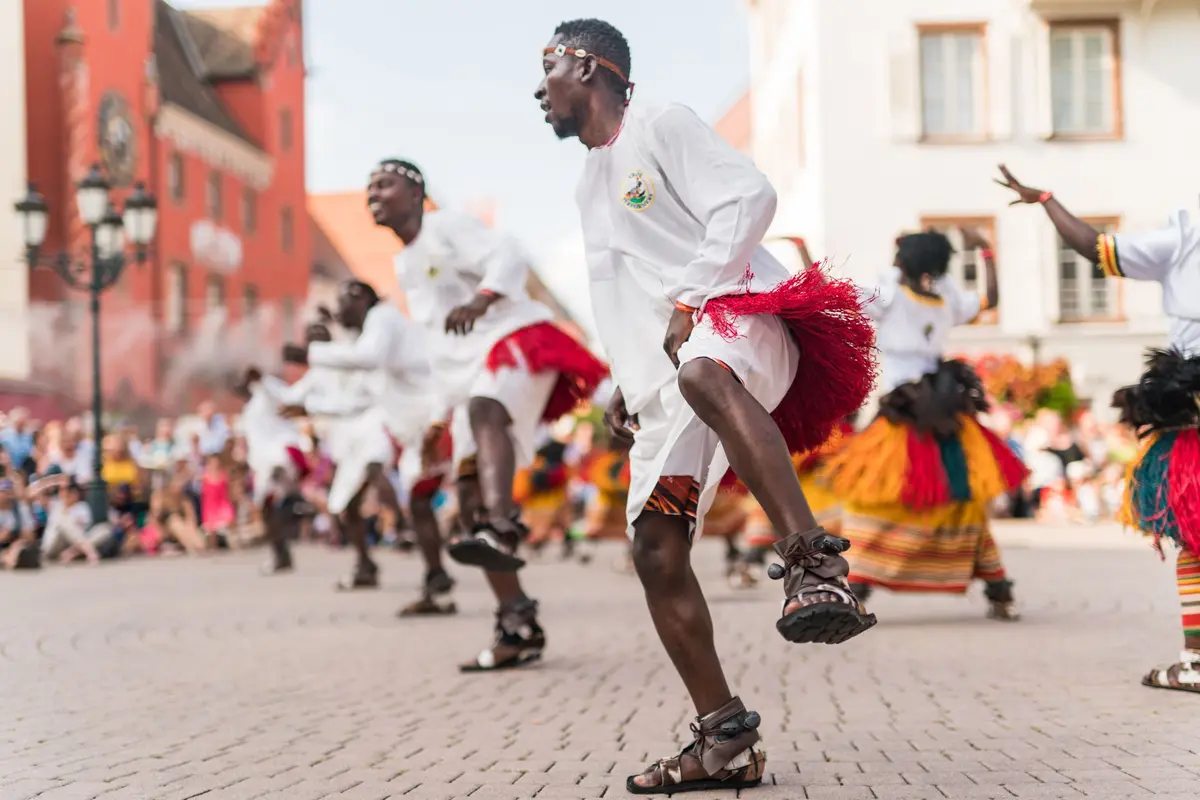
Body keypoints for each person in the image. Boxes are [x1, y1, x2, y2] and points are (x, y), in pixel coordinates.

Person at [536, 18, 877, 793]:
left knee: (701, 374)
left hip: (741, 313)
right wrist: (627, 383)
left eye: (547, 68)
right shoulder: (591, 180)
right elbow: (621, 300)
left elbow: (750, 196)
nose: (538, 89)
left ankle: (815, 569)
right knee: (654, 549)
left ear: (588, 67)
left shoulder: (662, 122)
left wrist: (693, 295)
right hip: (677, 364)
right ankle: (723, 738)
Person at [366, 159, 607, 669]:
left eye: (385, 184)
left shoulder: (444, 224)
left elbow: (509, 252)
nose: (374, 194)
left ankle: (504, 524)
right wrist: (438, 416)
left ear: (416, 191)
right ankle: (517, 622)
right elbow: (439, 346)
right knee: (468, 492)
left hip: (514, 340)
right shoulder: (406, 264)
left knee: (485, 411)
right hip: (468, 375)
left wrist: (481, 300)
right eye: (369, 188)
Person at [996, 164, 1200, 692]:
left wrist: (1046, 200)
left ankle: (1197, 663)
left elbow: (1096, 248)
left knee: (1195, 540)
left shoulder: (1186, 234)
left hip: (1190, 409)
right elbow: (1099, 248)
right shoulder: (1184, 234)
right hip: (1189, 402)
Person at [822, 230, 1026, 619]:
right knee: (961, 498)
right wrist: (985, 251)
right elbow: (991, 299)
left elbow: (835, 294)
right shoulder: (945, 296)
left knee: (884, 497)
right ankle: (999, 592)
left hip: (905, 415)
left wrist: (804, 259)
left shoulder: (890, 294)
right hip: (945, 410)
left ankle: (859, 586)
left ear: (903, 262)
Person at [283, 283, 455, 612]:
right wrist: (305, 405)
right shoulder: (363, 343)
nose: (340, 310)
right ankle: (430, 575)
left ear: (362, 298)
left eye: (344, 302)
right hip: (413, 430)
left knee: (435, 496)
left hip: (435, 420)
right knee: (409, 503)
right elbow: (349, 398)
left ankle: (496, 584)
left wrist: (310, 355)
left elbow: (366, 360)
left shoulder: (382, 320)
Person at [233, 367, 309, 573]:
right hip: (264, 464)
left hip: (279, 457)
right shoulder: (247, 412)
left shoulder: (263, 397)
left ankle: (298, 505)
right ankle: (281, 552)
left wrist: (260, 377)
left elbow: (273, 388)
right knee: (267, 509)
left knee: (273, 491)